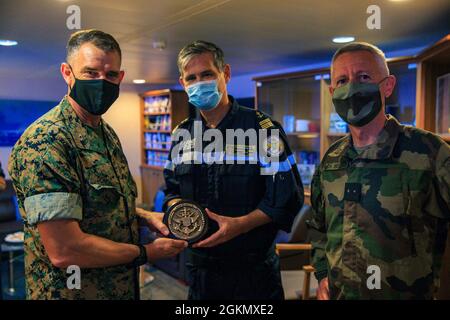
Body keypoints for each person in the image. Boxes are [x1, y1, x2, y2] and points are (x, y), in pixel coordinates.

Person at [8, 29, 187, 300]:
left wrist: (142, 216)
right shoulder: (48, 140)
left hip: (117, 287)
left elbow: (98, 207)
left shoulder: (104, 133)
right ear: (67, 73)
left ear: (121, 77)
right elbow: (65, 250)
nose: (102, 82)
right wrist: (147, 253)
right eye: (91, 73)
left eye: (111, 75)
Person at [309, 42, 450, 299]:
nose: (352, 87)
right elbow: (318, 225)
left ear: (387, 86)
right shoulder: (332, 158)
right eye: (342, 80)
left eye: (363, 77)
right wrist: (321, 275)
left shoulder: (428, 151)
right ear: (332, 91)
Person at [164, 40, 304, 300]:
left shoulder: (262, 130)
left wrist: (240, 225)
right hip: (200, 273)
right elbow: (171, 189)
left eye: (206, 74)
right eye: (191, 78)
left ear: (225, 74)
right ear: (182, 83)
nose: (199, 83)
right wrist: (176, 210)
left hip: (253, 274)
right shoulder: (182, 133)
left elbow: (287, 198)